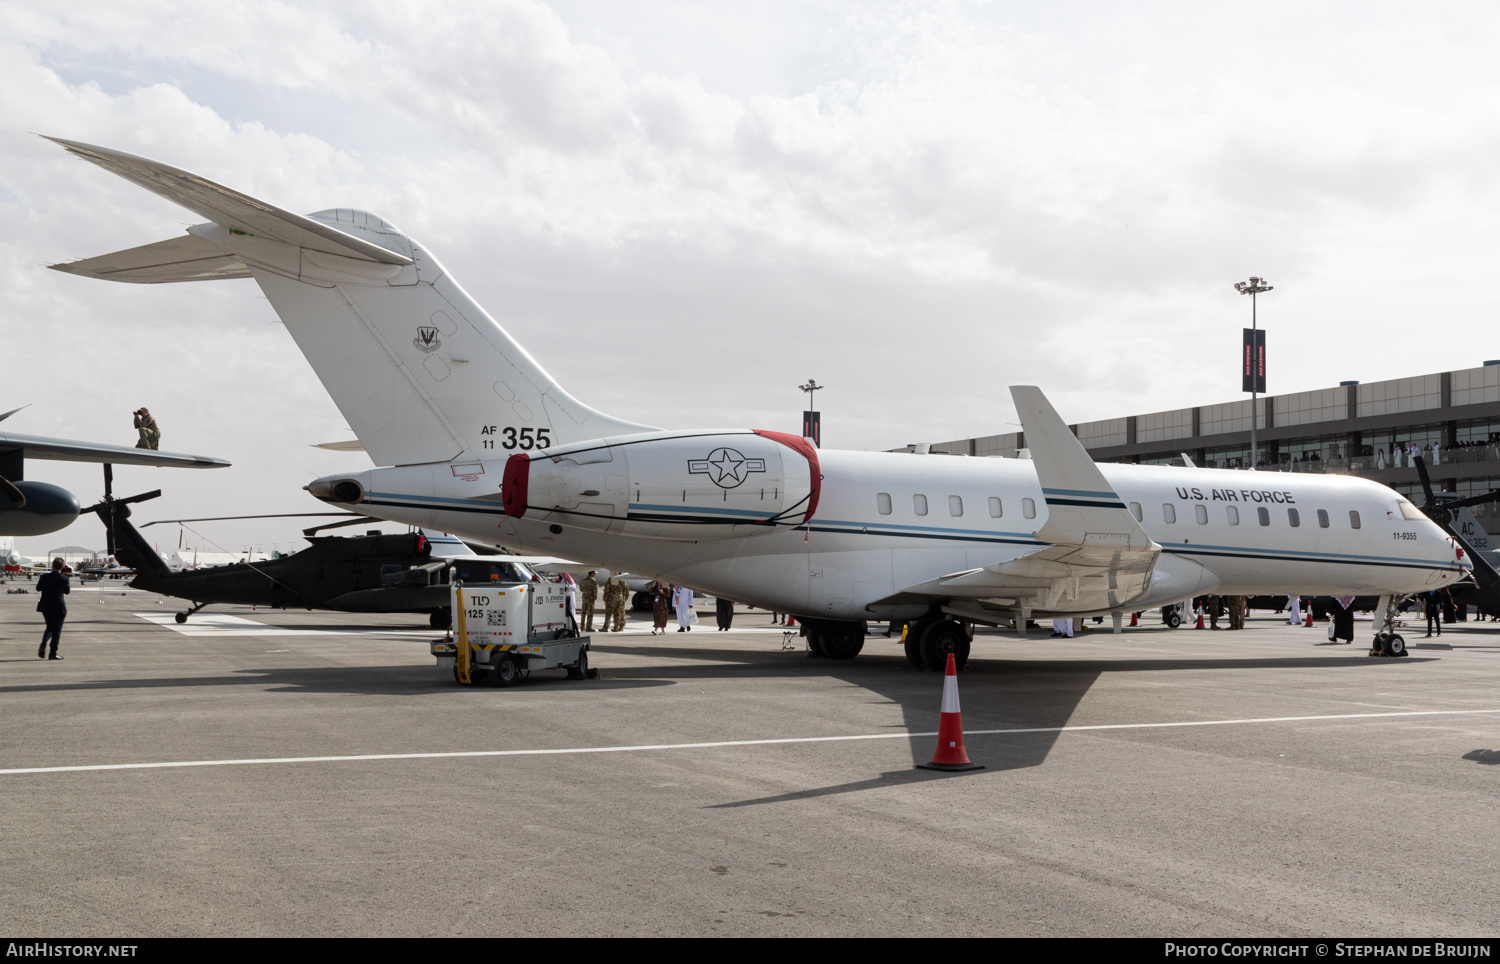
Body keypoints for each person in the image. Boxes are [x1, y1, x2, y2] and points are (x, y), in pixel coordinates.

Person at [36, 557, 71, 660]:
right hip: (58, 606)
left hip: (45, 606)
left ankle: (43, 643)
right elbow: (67, 591)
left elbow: (38, 588)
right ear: (61, 567)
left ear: (52, 566)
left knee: (50, 627)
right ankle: (53, 653)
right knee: (57, 630)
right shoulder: (64, 579)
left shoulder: (44, 577)